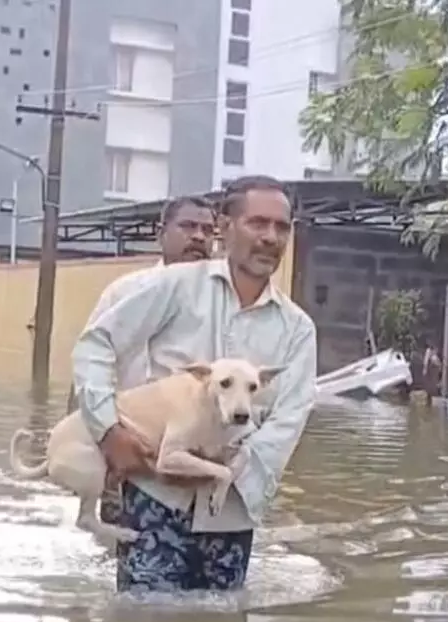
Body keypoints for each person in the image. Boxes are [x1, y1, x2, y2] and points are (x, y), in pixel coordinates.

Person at [72, 175, 317, 593]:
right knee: (142, 620)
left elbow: (287, 422)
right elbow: (96, 344)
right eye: (257, 223)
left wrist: (224, 472)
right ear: (225, 226)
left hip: (232, 512)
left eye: (281, 227)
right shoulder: (176, 287)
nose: (270, 237)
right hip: (153, 495)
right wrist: (108, 432)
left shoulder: (297, 330)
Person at [69, 195, 218, 525]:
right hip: (120, 447)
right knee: (115, 538)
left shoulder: (217, 306)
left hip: (183, 460)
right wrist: (91, 436)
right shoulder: (124, 292)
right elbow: (90, 361)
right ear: (160, 233)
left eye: (208, 230)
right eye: (188, 226)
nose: (199, 237)